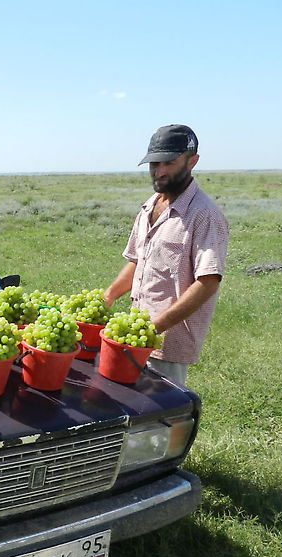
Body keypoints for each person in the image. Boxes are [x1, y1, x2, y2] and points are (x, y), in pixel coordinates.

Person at [104, 124, 229, 386]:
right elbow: (137, 261)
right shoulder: (149, 206)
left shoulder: (204, 215)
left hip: (168, 344)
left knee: (162, 416)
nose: (159, 171)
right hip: (134, 332)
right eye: (154, 164)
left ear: (191, 161)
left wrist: (154, 328)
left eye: (169, 163)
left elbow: (207, 283)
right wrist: (108, 296)